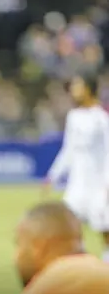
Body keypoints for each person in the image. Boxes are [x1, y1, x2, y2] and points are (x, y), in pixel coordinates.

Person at [44, 75, 109, 262]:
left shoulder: (102, 119)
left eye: (78, 86)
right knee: (69, 229)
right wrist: (53, 175)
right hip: (76, 185)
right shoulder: (73, 117)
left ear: (89, 89)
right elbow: (68, 150)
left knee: (104, 231)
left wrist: (107, 184)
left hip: (99, 186)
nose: (74, 91)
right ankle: (78, 269)